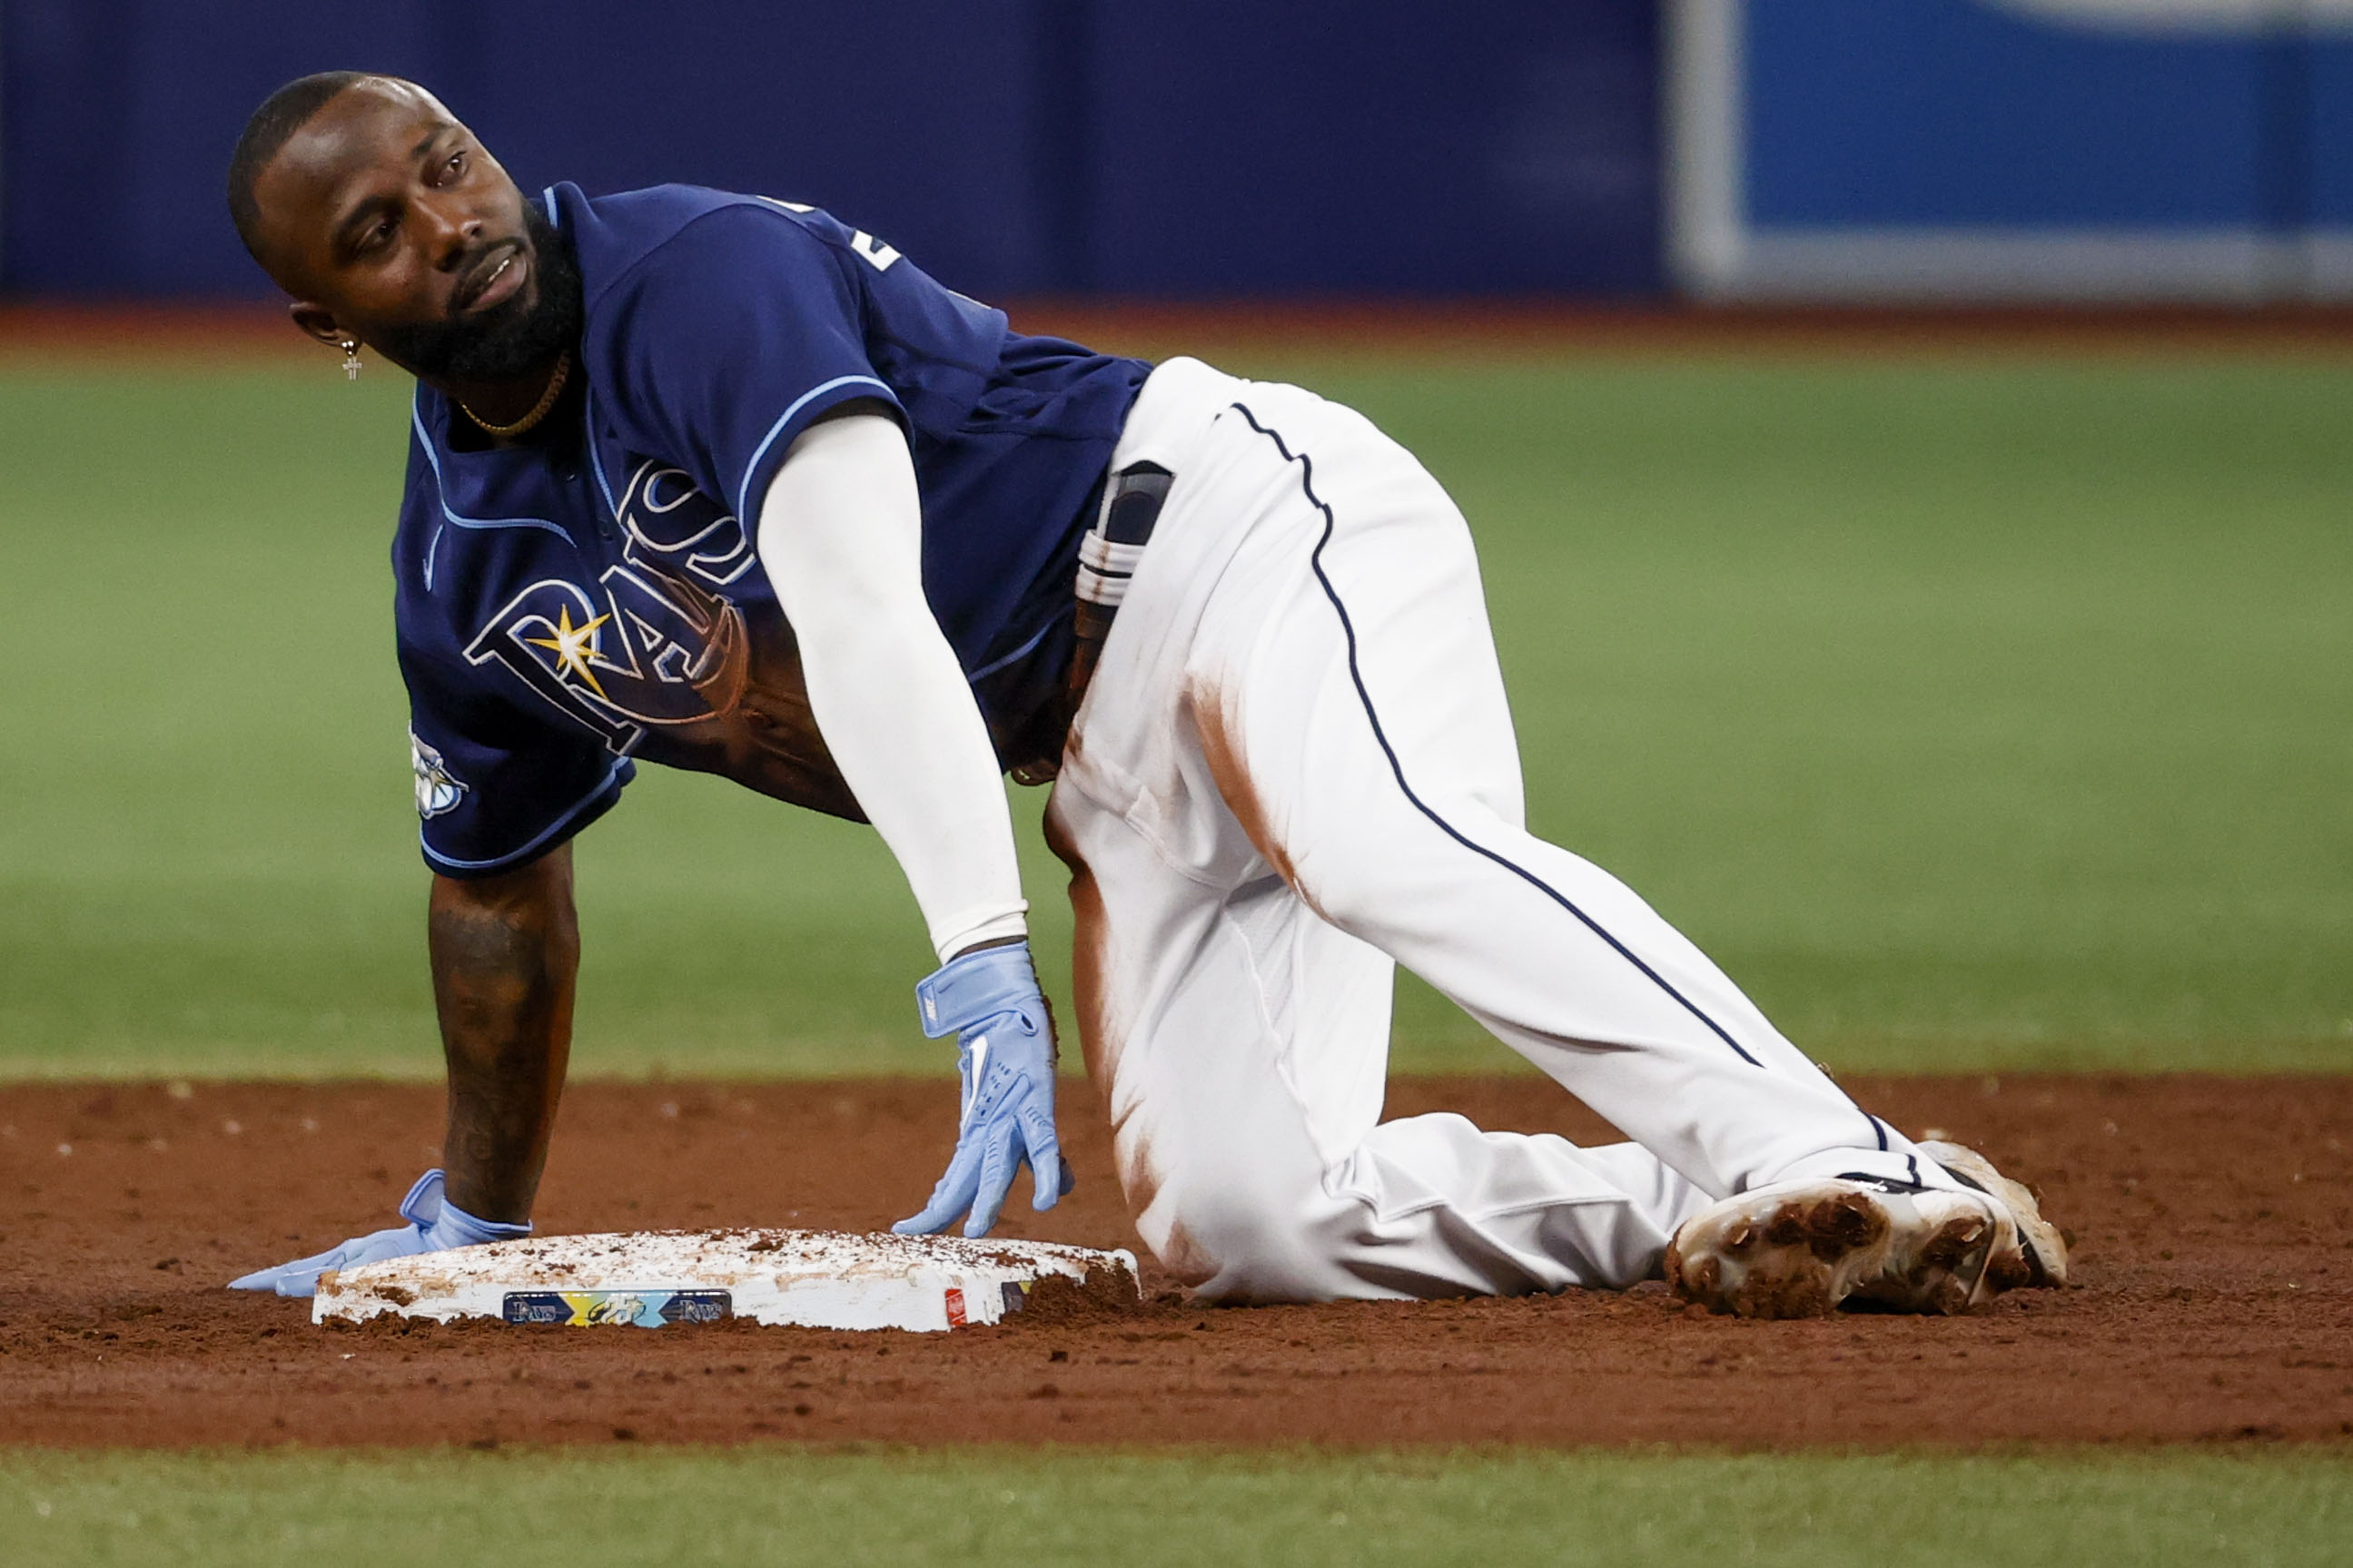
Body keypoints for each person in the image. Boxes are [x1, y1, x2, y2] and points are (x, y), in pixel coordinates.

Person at [222, 74, 2065, 1318]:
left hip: (1233, 530)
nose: (442, 221)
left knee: (1376, 840)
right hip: (1095, 746)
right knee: (1245, 1227)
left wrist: (975, 947)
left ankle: (1830, 1146)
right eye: (374, 231)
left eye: (442, 164)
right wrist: (475, 1224)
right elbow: (494, 893)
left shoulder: (693, 275)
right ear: (330, 332)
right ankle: (1744, 1218)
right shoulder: (464, 578)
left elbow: (864, 607)